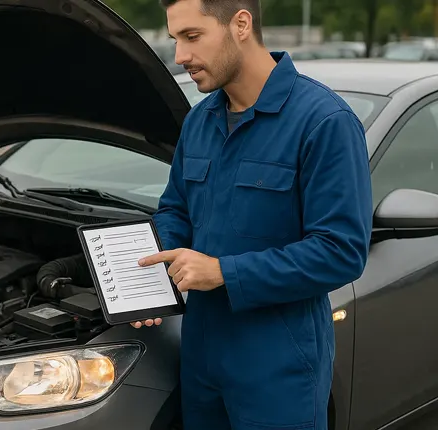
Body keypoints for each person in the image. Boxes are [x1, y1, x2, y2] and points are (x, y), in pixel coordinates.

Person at [132, 1, 373, 429]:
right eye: (175, 40)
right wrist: (153, 276)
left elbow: (341, 252)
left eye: (192, 37)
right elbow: (175, 209)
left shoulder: (324, 122)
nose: (180, 56)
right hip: (201, 355)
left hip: (278, 363)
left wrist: (224, 272)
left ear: (240, 24)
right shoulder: (199, 120)